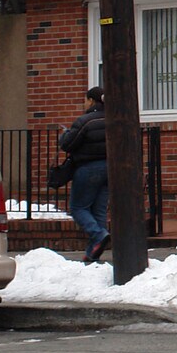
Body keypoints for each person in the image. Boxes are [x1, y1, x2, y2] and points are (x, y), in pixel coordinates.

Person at [49, 86, 110, 262]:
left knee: (78, 208)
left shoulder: (85, 121)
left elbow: (68, 145)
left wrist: (65, 135)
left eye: (85, 99)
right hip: (108, 168)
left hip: (87, 168)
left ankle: (98, 234)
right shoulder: (113, 119)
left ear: (91, 100)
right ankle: (93, 252)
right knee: (98, 210)